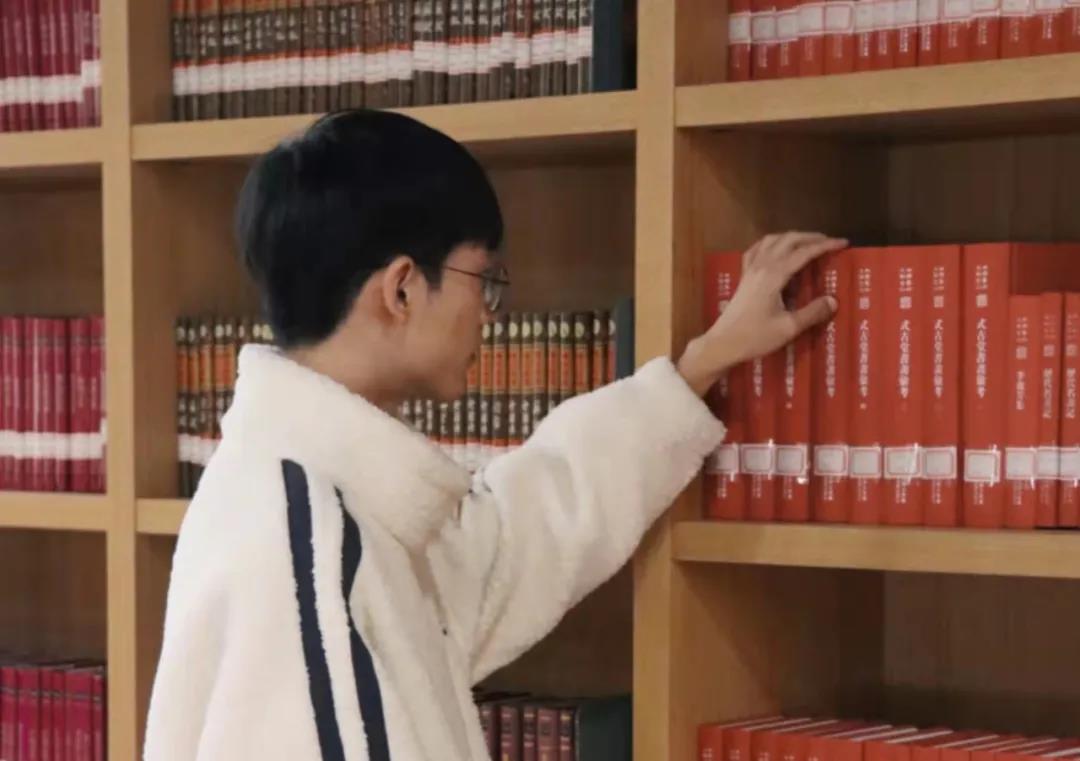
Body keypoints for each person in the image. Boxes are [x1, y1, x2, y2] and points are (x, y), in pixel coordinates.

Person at [141, 108, 845, 761]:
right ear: (402, 287)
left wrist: (702, 365)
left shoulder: (322, 501)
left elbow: (508, 547)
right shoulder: (309, 548)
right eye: (483, 279)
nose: (489, 312)